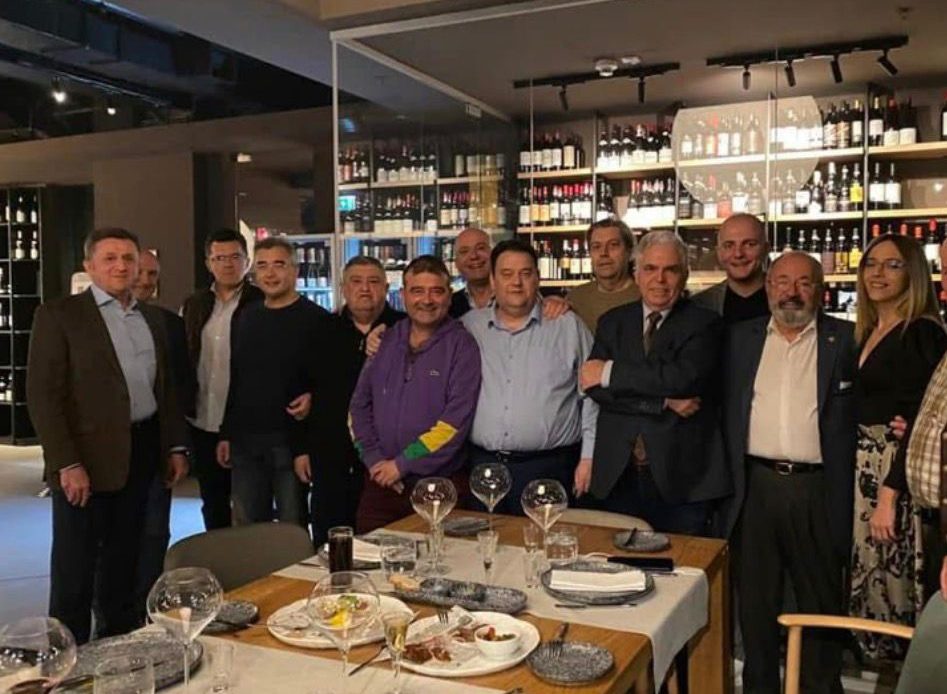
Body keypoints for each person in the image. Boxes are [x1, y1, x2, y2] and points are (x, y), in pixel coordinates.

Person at [27, 227, 189, 643]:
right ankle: (67, 658)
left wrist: (174, 446)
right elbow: (43, 396)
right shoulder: (60, 315)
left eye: (128, 258)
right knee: (75, 569)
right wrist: (66, 462)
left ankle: (116, 648)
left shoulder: (151, 319)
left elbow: (165, 390)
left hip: (141, 452)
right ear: (89, 266)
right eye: (110, 258)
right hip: (84, 461)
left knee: (124, 561)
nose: (121, 266)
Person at [722, 251, 855, 694]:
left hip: (818, 488)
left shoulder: (847, 338)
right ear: (768, 287)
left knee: (819, 603)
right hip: (755, 487)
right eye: (781, 281)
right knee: (756, 604)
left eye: (803, 283)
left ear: (820, 289)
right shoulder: (740, 339)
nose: (791, 292)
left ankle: (819, 687)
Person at [579, 230, 729, 535]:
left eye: (670, 270)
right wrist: (662, 402)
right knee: (616, 561)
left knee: (682, 561)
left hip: (681, 478)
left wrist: (610, 373)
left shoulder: (705, 323)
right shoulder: (612, 321)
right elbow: (594, 389)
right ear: (636, 273)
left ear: (684, 275)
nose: (659, 279)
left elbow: (681, 379)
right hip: (617, 474)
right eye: (650, 269)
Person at [848, 234, 947, 660]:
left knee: (894, 578)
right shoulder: (869, 329)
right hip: (865, 470)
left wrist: (889, 495)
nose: (878, 273)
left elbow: (920, 423)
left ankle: (906, 673)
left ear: (915, 274)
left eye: (893, 265)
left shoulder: (921, 331)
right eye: (871, 264)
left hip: (893, 474)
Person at [463, 239, 597, 514]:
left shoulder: (568, 326)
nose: (516, 282)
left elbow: (592, 398)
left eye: (525, 273)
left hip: (550, 468)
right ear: (493, 280)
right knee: (486, 539)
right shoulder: (469, 326)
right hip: (483, 468)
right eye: (507, 274)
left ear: (538, 278)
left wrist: (588, 458)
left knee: (546, 540)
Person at [349, 255, 481, 533]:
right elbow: (358, 408)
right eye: (417, 291)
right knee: (367, 556)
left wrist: (402, 464)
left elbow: (453, 424)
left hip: (438, 486)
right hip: (381, 483)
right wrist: (374, 461)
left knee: (440, 558)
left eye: (437, 291)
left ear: (449, 296)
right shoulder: (384, 340)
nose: (427, 300)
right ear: (403, 295)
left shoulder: (463, 346)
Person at [217, 236, 328, 526]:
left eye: (279, 264)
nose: (270, 273)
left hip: (291, 442)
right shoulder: (245, 317)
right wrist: (226, 432)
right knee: (247, 527)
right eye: (262, 265)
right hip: (245, 440)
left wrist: (314, 399)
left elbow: (329, 382)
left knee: (292, 526)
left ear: (295, 270)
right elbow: (237, 376)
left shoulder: (317, 319)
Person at [300, 255, 405, 546]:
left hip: (385, 458)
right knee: (330, 540)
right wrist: (301, 449)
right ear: (344, 288)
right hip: (330, 455)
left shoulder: (404, 329)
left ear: (386, 288)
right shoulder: (321, 329)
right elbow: (301, 392)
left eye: (373, 282)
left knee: (382, 541)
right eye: (356, 282)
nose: (365, 289)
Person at [181, 228, 263, 530]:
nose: (227, 264)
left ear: (247, 261)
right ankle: (216, 555)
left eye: (234, 257)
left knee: (248, 503)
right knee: (212, 500)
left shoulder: (260, 302)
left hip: (245, 421)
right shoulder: (194, 304)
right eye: (219, 258)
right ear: (208, 263)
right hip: (202, 419)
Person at [130, 250, 194, 617]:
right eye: (139, 271)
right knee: (112, 541)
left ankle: (148, 612)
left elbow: (177, 390)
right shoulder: (86, 322)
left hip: (156, 448)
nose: (144, 280)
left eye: (152, 274)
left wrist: (178, 446)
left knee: (155, 533)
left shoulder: (169, 323)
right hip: (110, 454)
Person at [447, 226, 570, 319]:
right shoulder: (448, 306)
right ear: (456, 263)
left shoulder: (535, 297)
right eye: (464, 251)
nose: (474, 256)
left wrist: (556, 303)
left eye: (481, 248)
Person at [691, 213, 770, 324]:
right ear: (719, 252)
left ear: (766, 249)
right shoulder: (698, 306)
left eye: (749, 244)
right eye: (729, 246)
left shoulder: (787, 300)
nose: (738, 254)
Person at [566, 219, 641, 332]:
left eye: (613, 245)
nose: (604, 253)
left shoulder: (645, 296)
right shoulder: (575, 299)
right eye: (596, 247)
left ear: (630, 252)